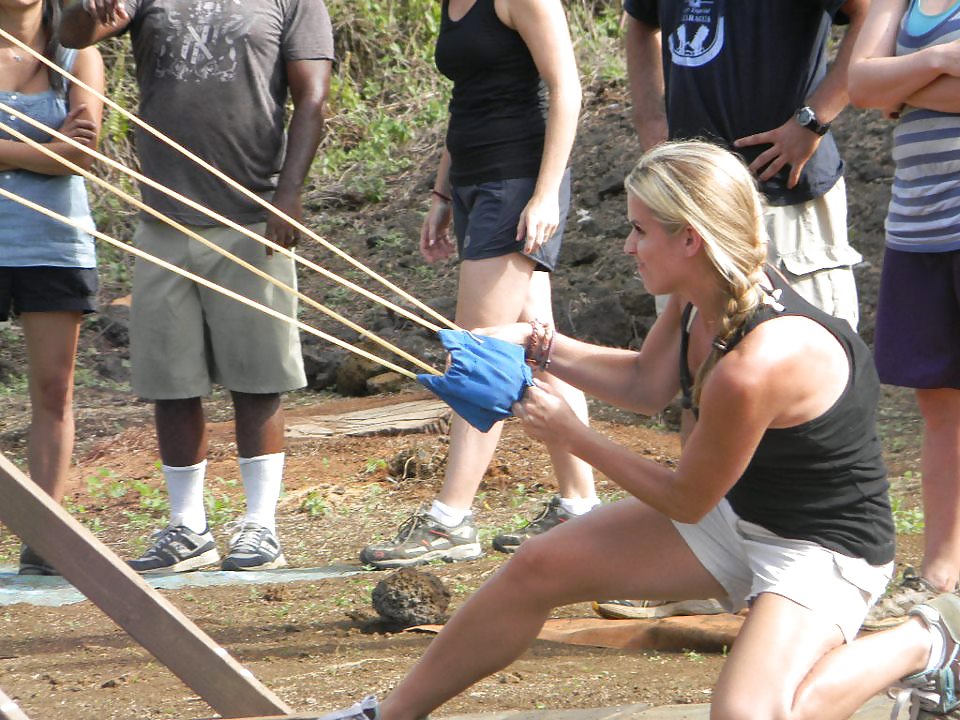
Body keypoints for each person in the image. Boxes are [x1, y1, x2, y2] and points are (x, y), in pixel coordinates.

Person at [322, 140, 960, 720]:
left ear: (691, 239)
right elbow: (645, 385)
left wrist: (574, 436)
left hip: (821, 549)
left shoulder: (760, 362)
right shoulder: (703, 293)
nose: (627, 246)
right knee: (538, 565)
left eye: (639, 230)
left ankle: (925, 640)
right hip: (736, 512)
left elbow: (687, 497)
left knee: (746, 715)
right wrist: (531, 341)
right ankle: (389, 715)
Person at [59, 0, 334, 572]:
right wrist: (84, 11)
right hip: (163, 216)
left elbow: (312, 97)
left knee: (257, 378)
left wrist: (289, 193)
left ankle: (260, 526)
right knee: (173, 380)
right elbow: (74, 31)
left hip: (250, 214)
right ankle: (187, 529)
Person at [358, 0, 598, 570]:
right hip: (473, 180)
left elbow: (567, 88)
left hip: (516, 182)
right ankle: (580, 507)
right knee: (540, 349)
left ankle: (450, 520)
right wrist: (442, 193)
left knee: (480, 348)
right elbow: (467, 97)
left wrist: (544, 195)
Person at [623, 0, 867, 330]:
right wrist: (649, 119)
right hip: (685, 200)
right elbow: (641, 21)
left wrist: (814, 118)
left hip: (782, 191)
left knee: (800, 348)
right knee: (691, 360)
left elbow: (869, 12)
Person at [848, 0, 960, 628]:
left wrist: (904, 83)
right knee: (937, 401)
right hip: (917, 225)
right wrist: (941, 61)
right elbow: (861, 85)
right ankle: (942, 576)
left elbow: (882, 82)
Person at [0, 0, 103, 575]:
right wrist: (50, 149)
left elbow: (81, 157)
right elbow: (62, 152)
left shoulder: (74, 51)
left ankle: (44, 533)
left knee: (52, 391)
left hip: (54, 243)